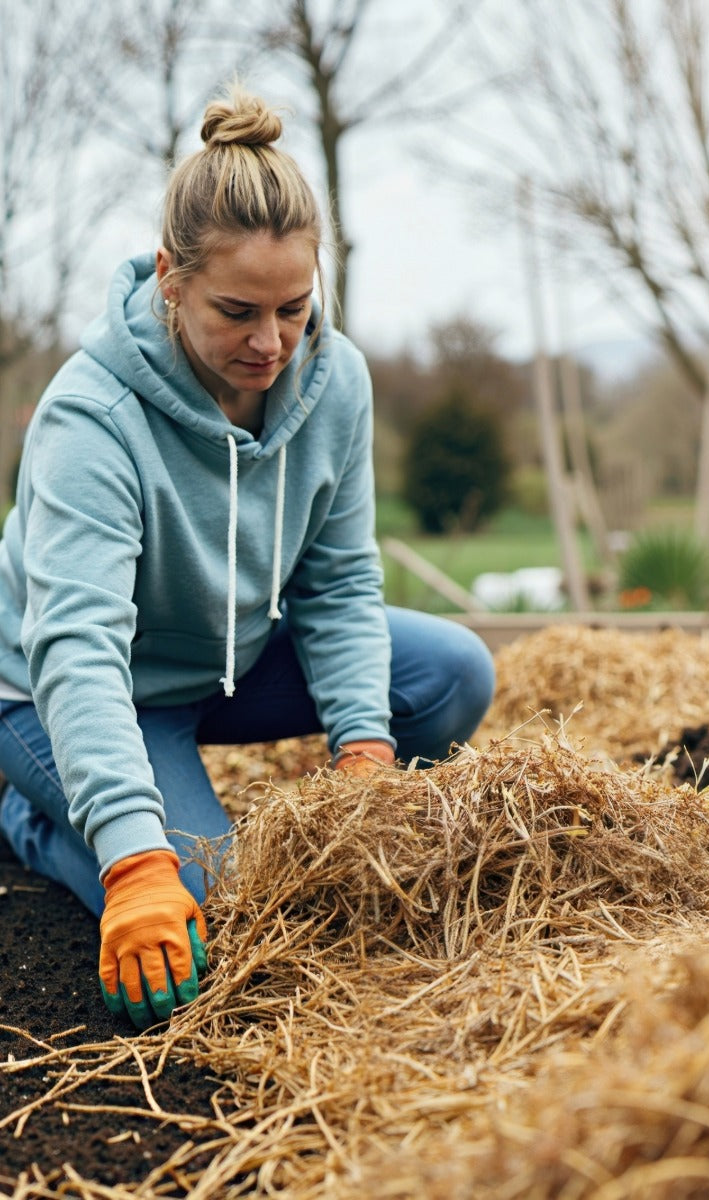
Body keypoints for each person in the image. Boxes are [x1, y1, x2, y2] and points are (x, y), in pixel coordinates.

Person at [0, 86, 495, 1030]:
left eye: (294, 309)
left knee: (451, 676)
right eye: (237, 311)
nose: (270, 343)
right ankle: (36, 822)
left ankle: (132, 816)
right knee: (214, 902)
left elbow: (340, 581)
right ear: (170, 280)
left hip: (229, 658)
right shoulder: (90, 419)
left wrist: (362, 756)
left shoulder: (334, 381)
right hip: (63, 690)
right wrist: (137, 863)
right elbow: (77, 650)